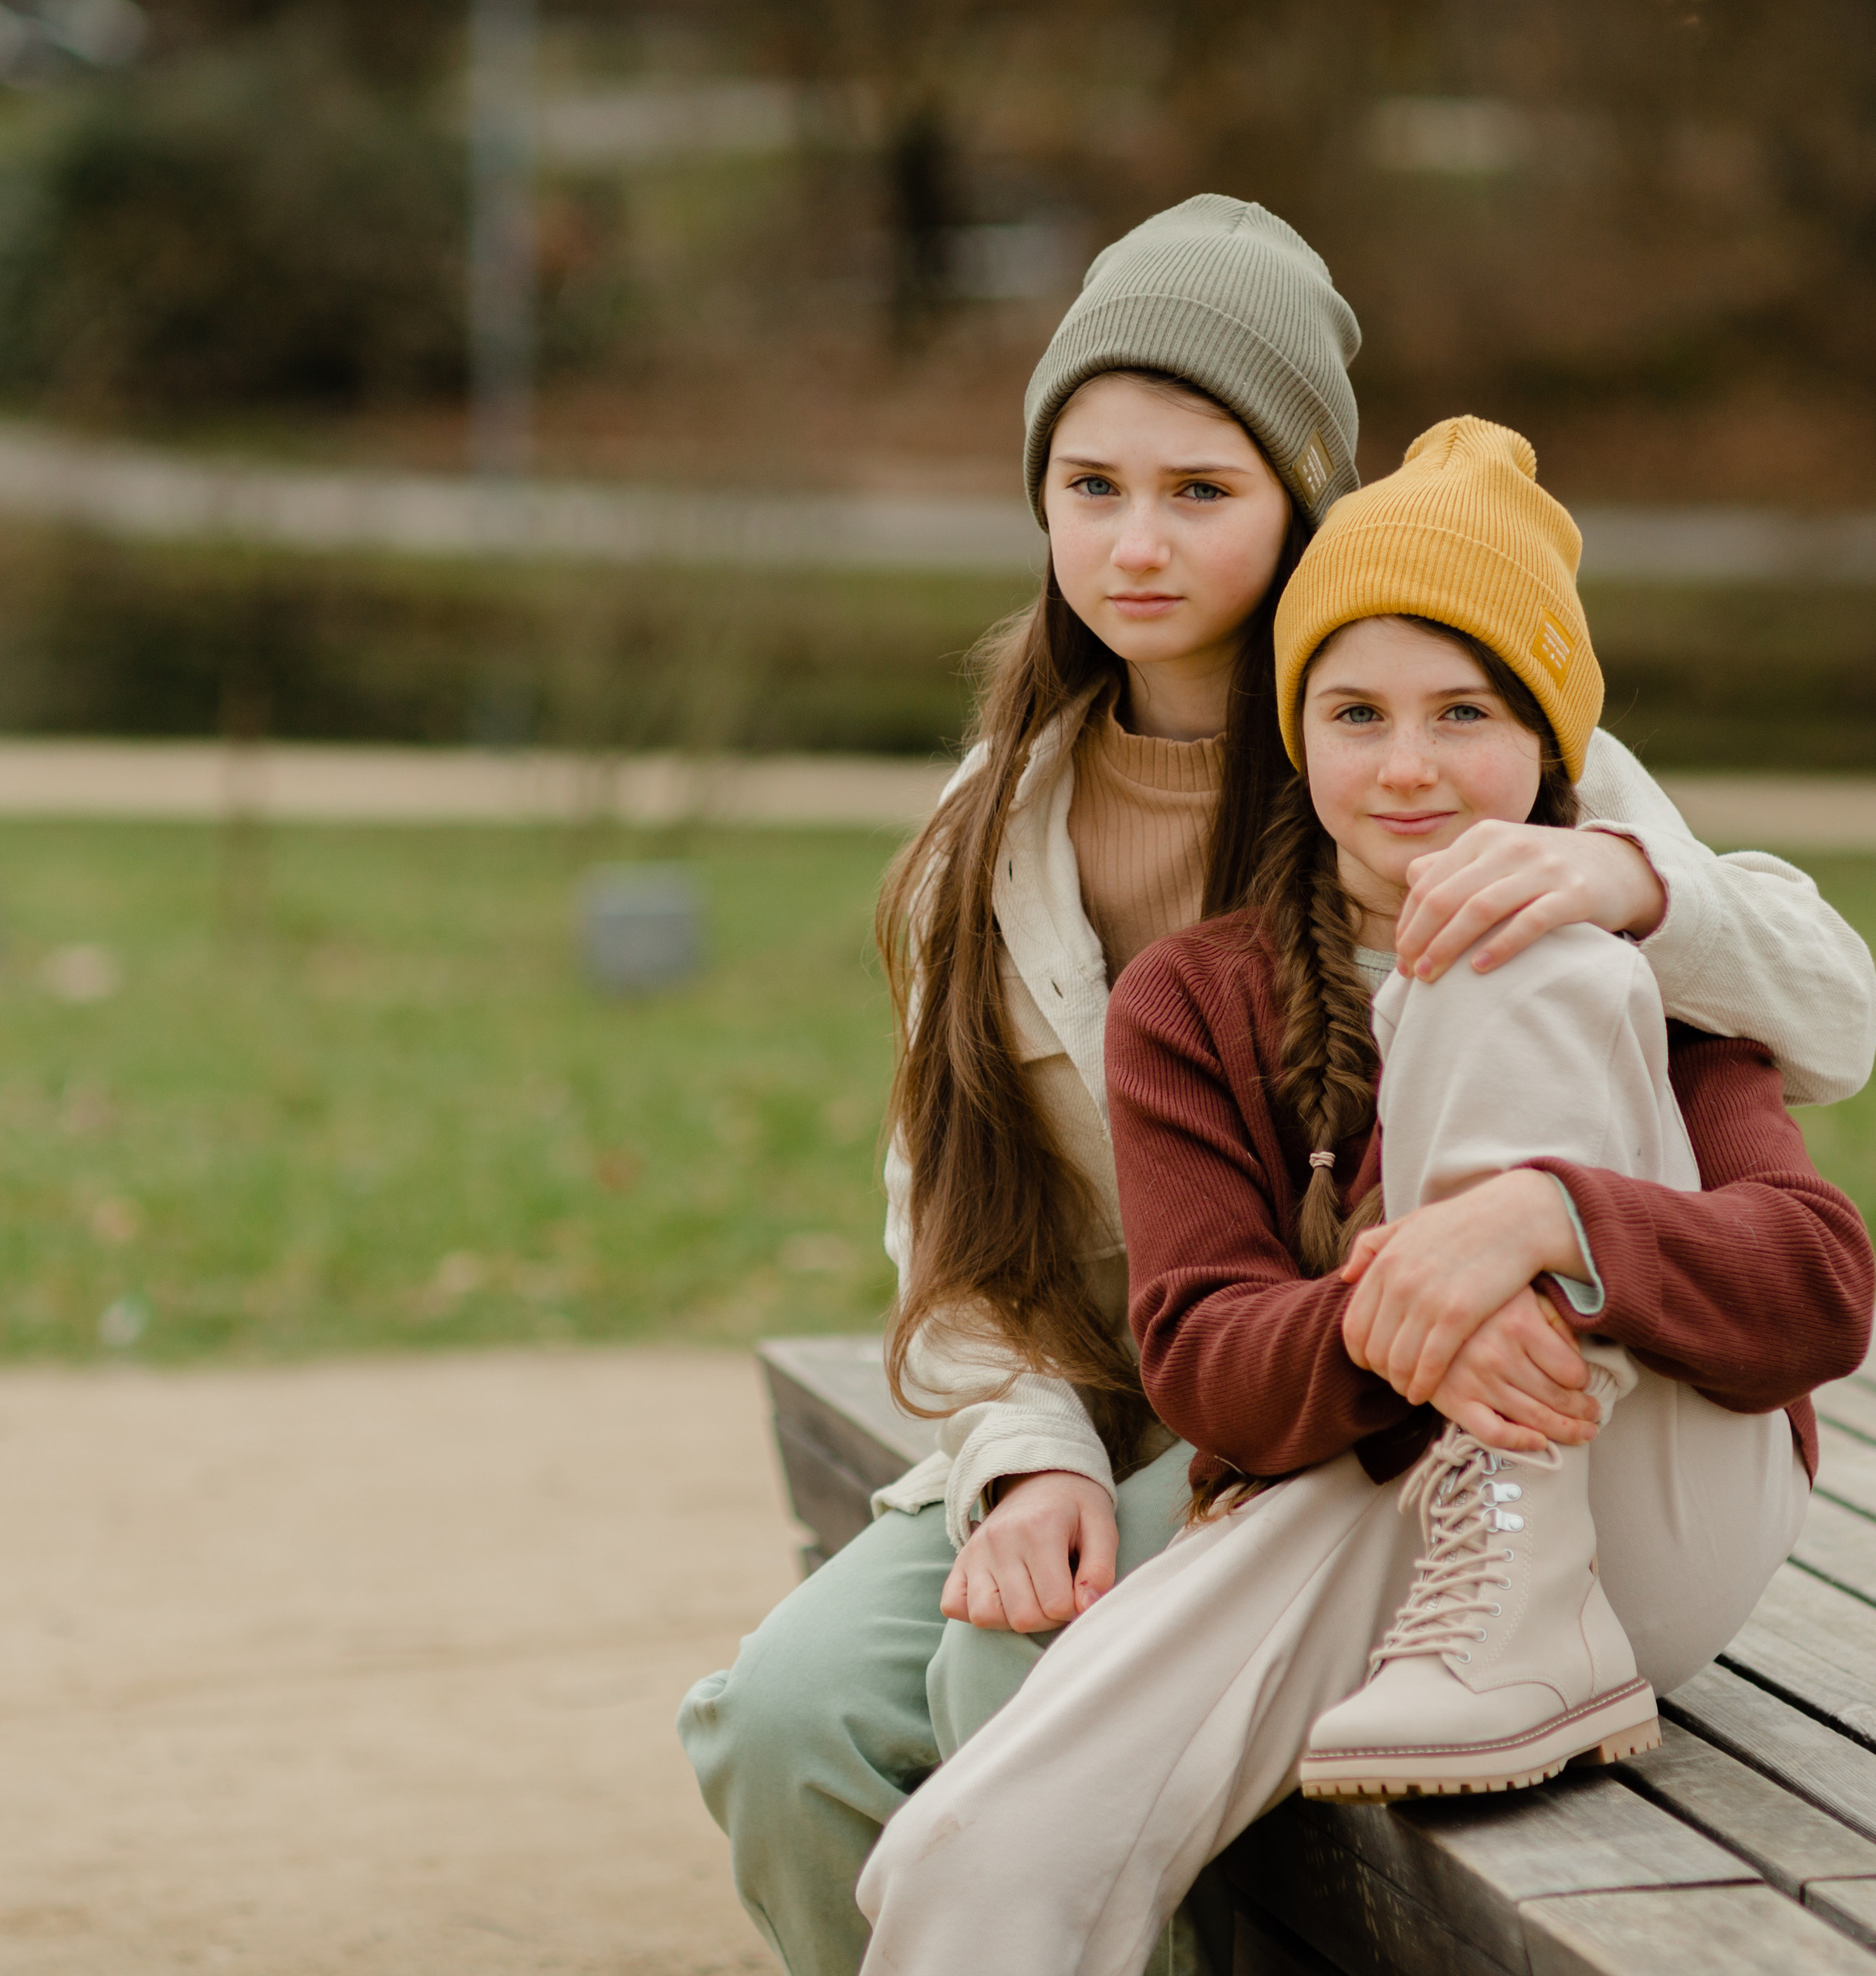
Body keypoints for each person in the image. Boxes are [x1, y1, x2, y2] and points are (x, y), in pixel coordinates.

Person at [678, 198, 1876, 1976]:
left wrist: (1637, 882)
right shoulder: (986, 831)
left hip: (1437, 1427)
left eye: (1198, 488)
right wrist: (1019, 1461)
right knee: (782, 1720)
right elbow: (948, 1213)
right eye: (1089, 486)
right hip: (1155, 1392)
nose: (1134, 543)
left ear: (1300, 494)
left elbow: (1812, 1016)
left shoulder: (1448, 730)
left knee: (1025, 1686)